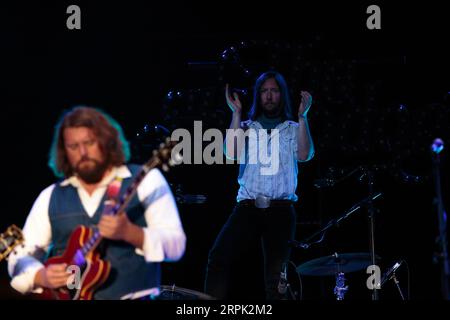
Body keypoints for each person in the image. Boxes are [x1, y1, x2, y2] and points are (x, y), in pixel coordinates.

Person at [8, 106, 186, 300]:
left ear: (106, 141)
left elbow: (176, 246)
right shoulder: (51, 196)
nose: (82, 152)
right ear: (63, 151)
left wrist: (130, 233)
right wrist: (40, 276)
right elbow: (19, 254)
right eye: (73, 146)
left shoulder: (147, 180)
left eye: (89, 142)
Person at [204, 71, 314, 299]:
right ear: (258, 96)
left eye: (274, 91)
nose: (269, 96)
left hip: (281, 210)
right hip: (248, 207)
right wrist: (235, 113)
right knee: (219, 257)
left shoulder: (292, 128)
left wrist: (303, 117)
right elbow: (230, 152)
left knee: (276, 278)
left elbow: (304, 154)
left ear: (281, 95)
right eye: (264, 91)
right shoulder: (246, 127)